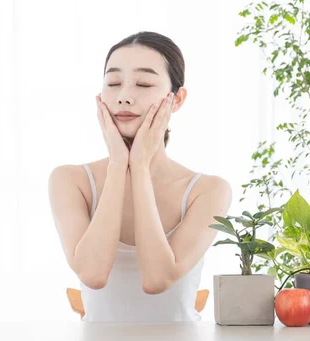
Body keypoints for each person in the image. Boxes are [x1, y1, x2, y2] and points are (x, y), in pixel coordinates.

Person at [48, 31, 232, 322]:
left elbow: (157, 279)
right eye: (113, 83)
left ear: (177, 99)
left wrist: (141, 168)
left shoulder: (208, 190)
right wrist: (118, 166)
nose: (123, 97)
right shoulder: (70, 180)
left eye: (144, 83)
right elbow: (93, 274)